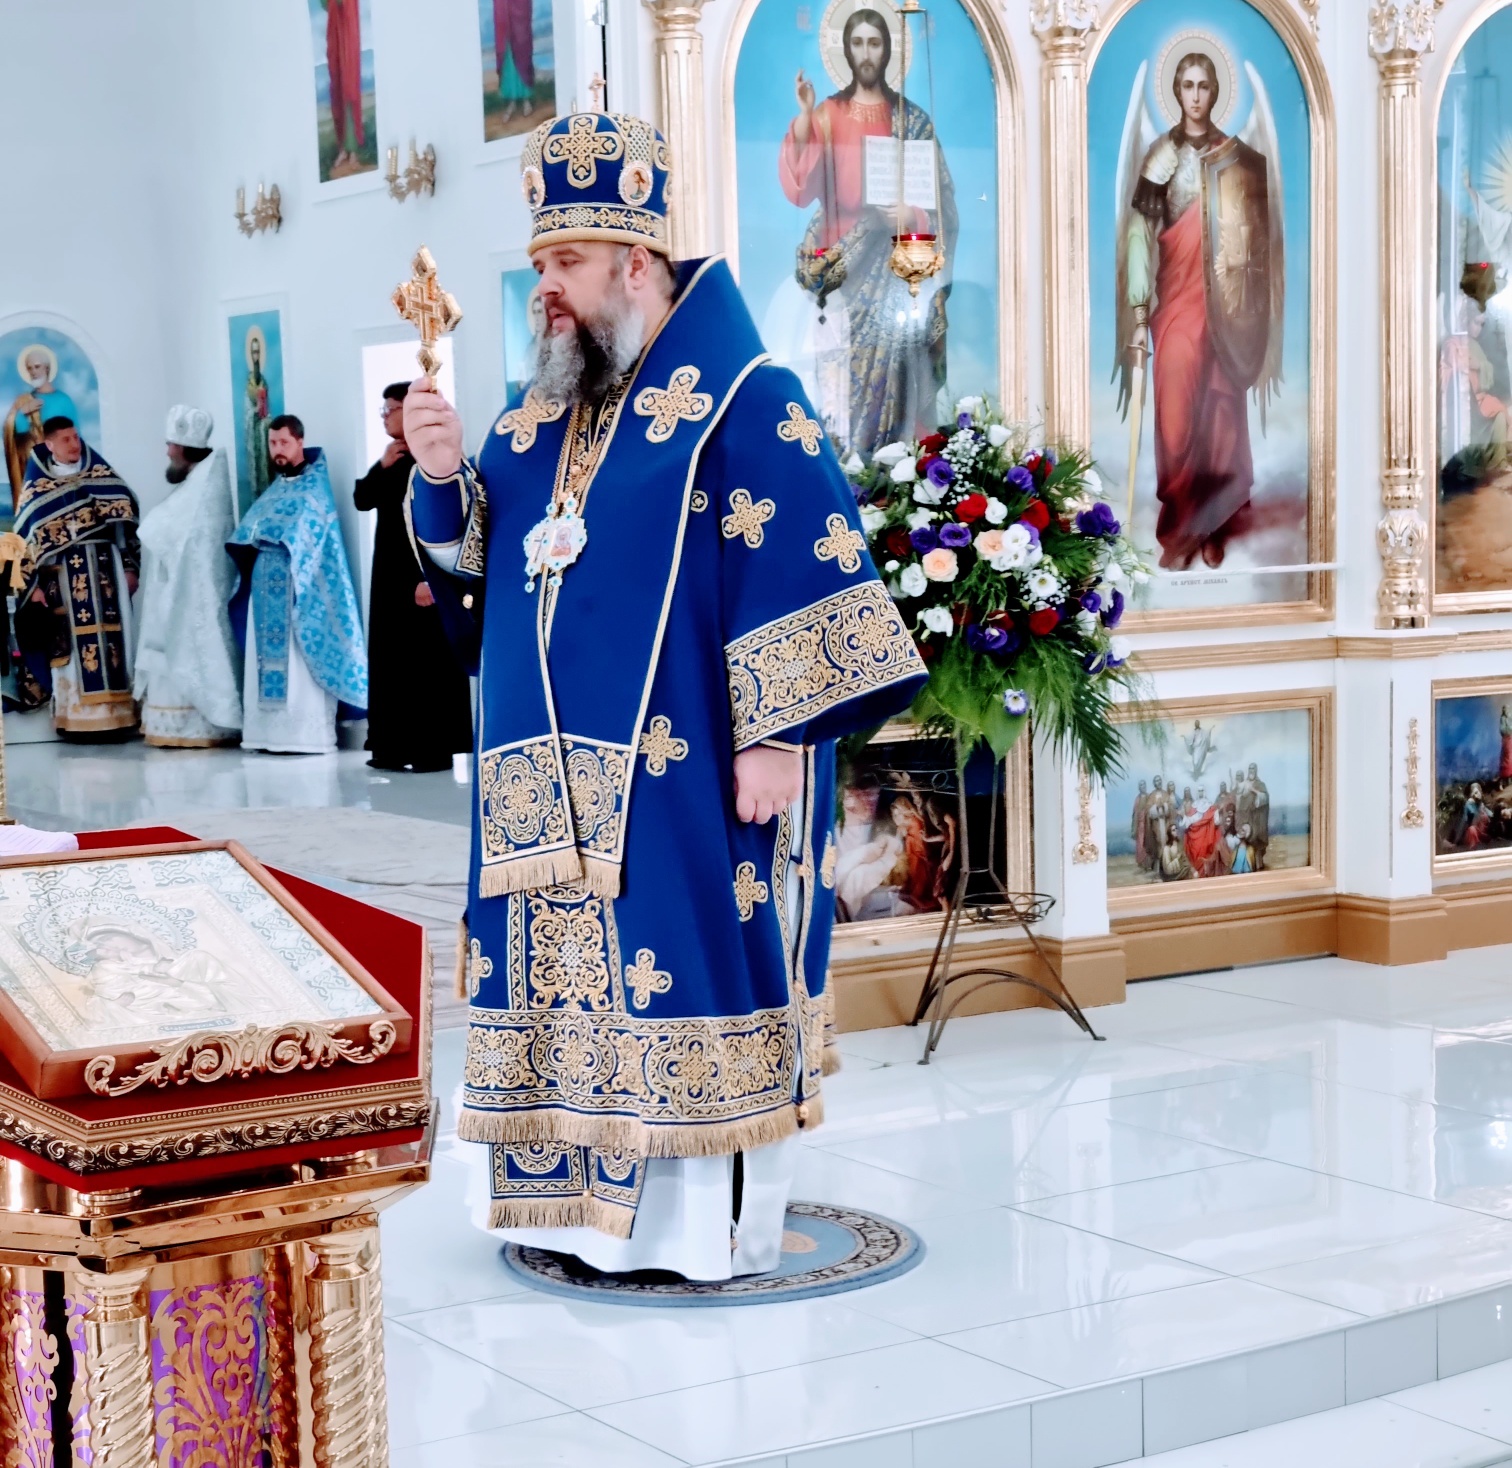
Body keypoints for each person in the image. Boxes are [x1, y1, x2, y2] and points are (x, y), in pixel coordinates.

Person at [404, 111, 925, 1280]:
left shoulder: (745, 396)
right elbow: (479, 568)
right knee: (554, 989)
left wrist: (781, 735)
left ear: (636, 264)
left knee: (682, 970)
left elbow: (801, 556)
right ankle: (558, 1216)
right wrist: (439, 477)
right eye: (540, 262)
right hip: (539, 790)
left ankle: (698, 1233)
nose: (546, 287)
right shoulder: (538, 414)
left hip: (676, 775)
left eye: (568, 262)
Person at [1118, 51, 1281, 569]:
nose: (1195, 95)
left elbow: (1254, 245)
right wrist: (1139, 310)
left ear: (1214, 93)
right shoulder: (1159, 157)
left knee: (1222, 409)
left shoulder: (1236, 158)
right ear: (1176, 92)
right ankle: (1182, 520)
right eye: (1186, 85)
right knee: (1176, 412)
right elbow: (1140, 235)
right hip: (1177, 302)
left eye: (1203, 86)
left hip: (1224, 310)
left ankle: (1215, 523)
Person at [778, 6, 958, 457]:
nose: (865, 53)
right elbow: (801, 189)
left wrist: (912, 217)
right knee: (838, 372)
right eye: (857, 43)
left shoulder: (913, 121)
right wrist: (805, 117)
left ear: (888, 50)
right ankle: (845, 464)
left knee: (897, 374)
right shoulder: (827, 114)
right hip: (842, 266)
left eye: (874, 43)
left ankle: (891, 468)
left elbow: (943, 206)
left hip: (896, 270)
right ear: (845, 49)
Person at [228, 414, 366, 754]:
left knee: (298, 660)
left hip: (299, 590)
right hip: (265, 587)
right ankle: (266, 734)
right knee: (265, 659)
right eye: (272, 443)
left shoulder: (314, 488)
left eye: (284, 443)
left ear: (300, 442)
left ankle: (303, 736)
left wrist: (276, 539)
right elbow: (251, 530)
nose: (277, 450)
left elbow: (308, 538)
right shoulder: (275, 490)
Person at [354, 383, 471, 772]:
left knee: (425, 665)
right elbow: (363, 499)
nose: (385, 417)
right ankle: (390, 747)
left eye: (391, 409)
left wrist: (429, 579)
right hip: (389, 578)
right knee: (391, 662)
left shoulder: (432, 456)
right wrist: (382, 466)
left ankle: (430, 750)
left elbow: (442, 519)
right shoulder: (393, 457)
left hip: (423, 577)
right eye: (383, 410)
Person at [14, 416, 139, 735]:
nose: (74, 444)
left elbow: (124, 529)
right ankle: (77, 719)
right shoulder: (36, 490)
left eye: (76, 437)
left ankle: (118, 715)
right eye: (66, 439)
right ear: (50, 445)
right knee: (70, 646)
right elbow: (25, 544)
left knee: (115, 641)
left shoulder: (102, 477)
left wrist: (129, 566)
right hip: (63, 579)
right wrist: (33, 586)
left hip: (107, 571)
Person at [134, 406, 242, 747]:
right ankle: (174, 726)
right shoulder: (201, 481)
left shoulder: (207, 486)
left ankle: (195, 726)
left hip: (194, 593)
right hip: (182, 586)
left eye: (170, 445)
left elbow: (167, 529)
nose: (167, 452)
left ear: (182, 447)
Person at [4, 344, 81, 514]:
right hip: (36, 465)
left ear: (47, 367)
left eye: (37, 366)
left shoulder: (64, 400)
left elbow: (76, 436)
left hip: (62, 465)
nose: (33, 372)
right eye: (29, 368)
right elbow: (15, 433)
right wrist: (23, 412)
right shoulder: (25, 400)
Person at [323, 0, 366, 174]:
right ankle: (342, 150)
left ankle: (353, 150)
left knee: (350, 90)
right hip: (336, 32)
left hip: (348, 31)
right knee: (338, 92)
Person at [242, 327, 273, 503]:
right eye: (253, 352)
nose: (255, 356)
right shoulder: (249, 383)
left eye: (258, 352)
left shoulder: (264, 381)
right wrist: (255, 411)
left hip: (263, 431)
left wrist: (266, 416)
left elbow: (267, 406)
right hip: (253, 433)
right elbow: (247, 410)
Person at [493, 0, 535, 122]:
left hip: (520, 23)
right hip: (504, 26)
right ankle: (511, 102)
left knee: (522, 55)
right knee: (508, 62)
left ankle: (526, 100)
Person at [1236, 761, 1270, 868]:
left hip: (1257, 819)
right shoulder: (1244, 784)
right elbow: (1239, 798)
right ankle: (1248, 866)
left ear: (1256, 771)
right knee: (1246, 843)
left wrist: (1254, 790)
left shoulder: (1260, 784)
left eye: (1253, 769)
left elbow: (1265, 798)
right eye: (1250, 769)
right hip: (1246, 818)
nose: (1251, 771)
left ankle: (1259, 866)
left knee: (1257, 843)